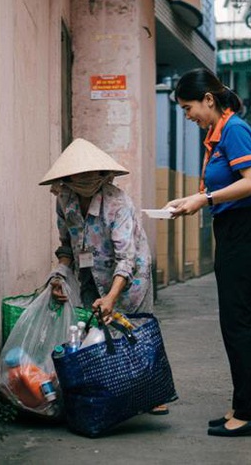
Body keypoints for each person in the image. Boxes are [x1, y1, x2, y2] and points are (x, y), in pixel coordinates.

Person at [165, 68, 251, 436]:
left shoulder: (235, 129)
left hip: (243, 227)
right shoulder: (216, 133)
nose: (187, 115)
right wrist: (192, 200)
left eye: (188, 107)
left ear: (209, 99)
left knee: (238, 321)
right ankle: (243, 404)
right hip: (231, 227)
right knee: (233, 321)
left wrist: (204, 198)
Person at [39, 137, 168, 415]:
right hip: (88, 275)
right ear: (68, 177)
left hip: (130, 277)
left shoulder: (117, 203)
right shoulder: (64, 200)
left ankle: (149, 394)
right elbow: (66, 247)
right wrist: (59, 277)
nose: (85, 179)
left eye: (90, 174)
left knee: (133, 331)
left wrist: (111, 296)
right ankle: (106, 392)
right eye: (79, 175)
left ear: (102, 175)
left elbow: (127, 258)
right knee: (93, 333)